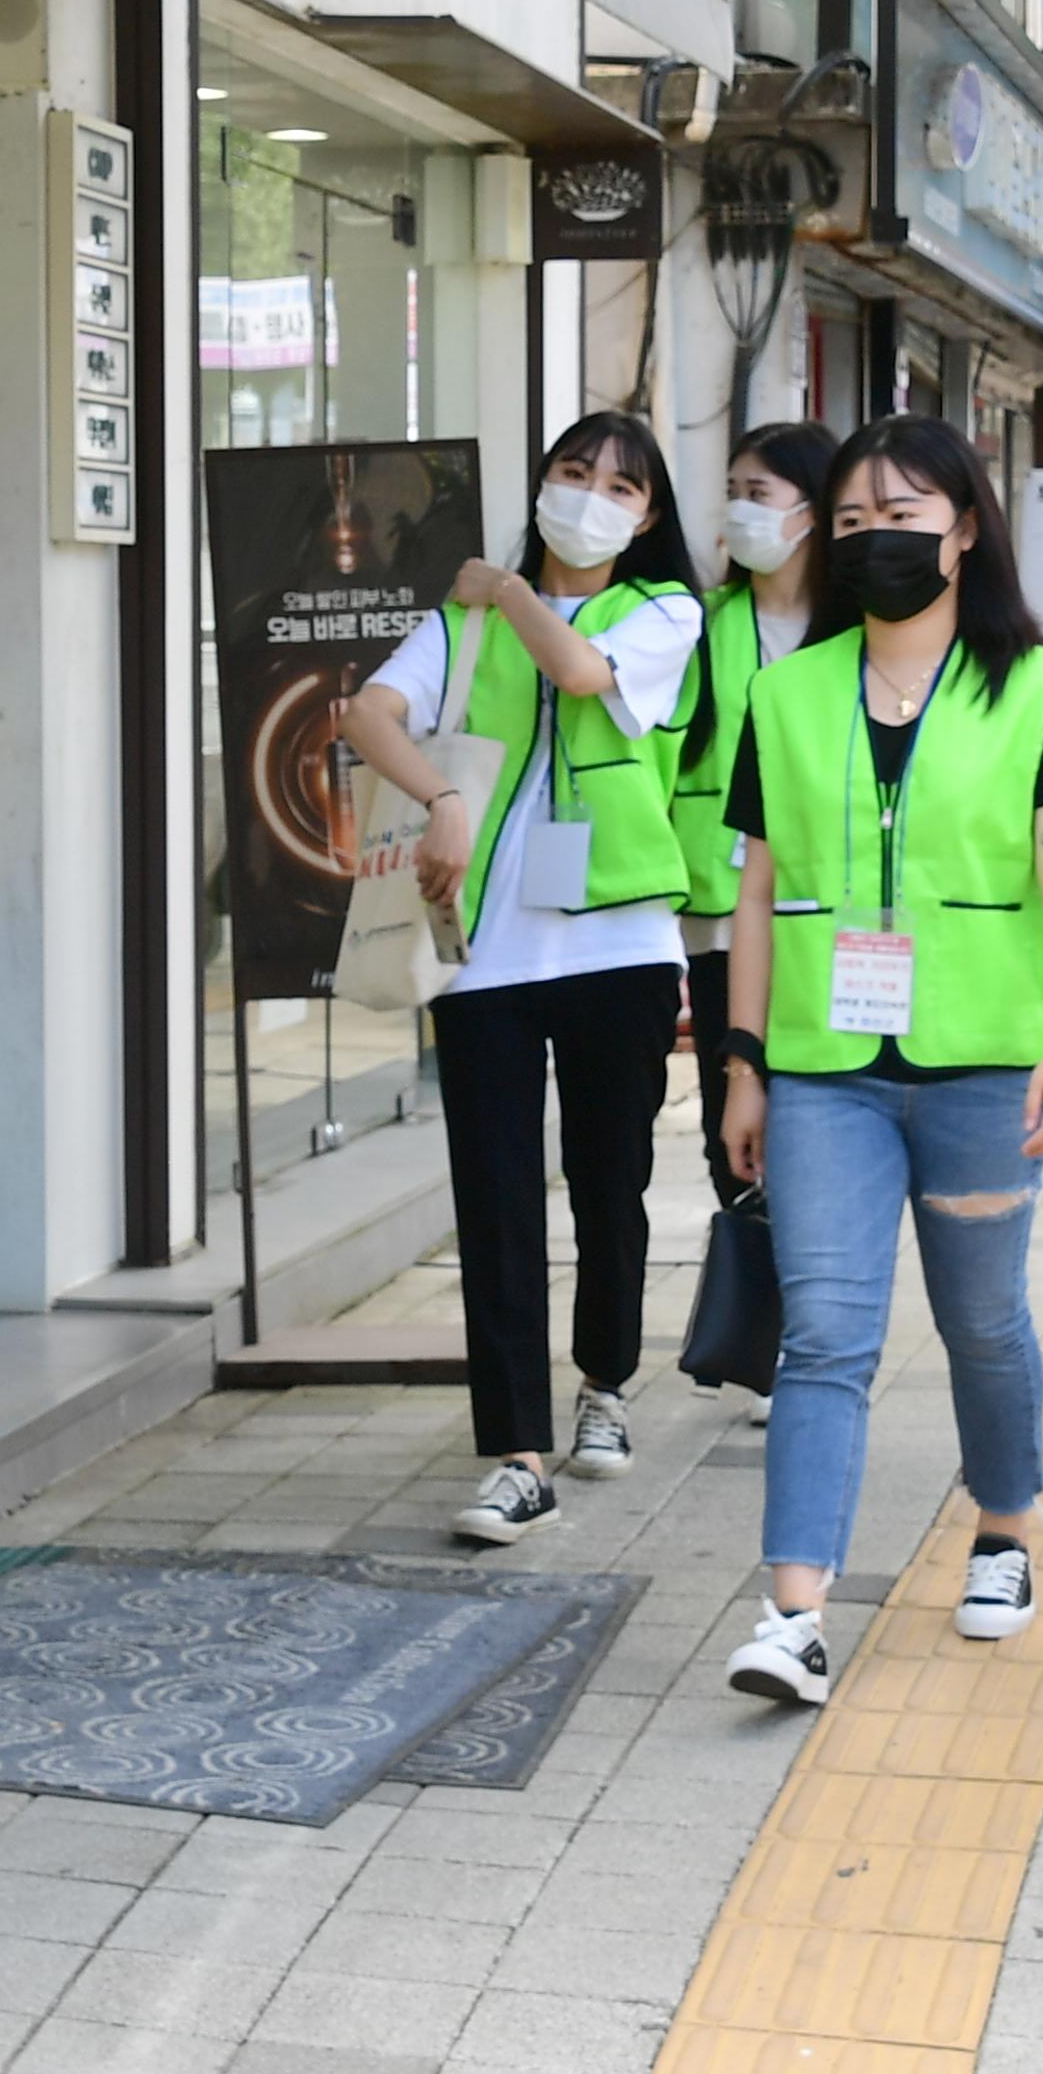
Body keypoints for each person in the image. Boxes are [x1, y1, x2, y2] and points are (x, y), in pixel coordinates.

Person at [709, 414, 1043, 1705]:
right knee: (824, 1332)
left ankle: (1004, 1527)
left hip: (986, 1062)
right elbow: (758, 898)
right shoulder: (788, 694)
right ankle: (795, 1615)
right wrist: (743, 1060)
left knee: (982, 1320)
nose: (880, 542)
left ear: (968, 529)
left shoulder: (1038, 691)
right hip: (828, 1068)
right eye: (854, 523)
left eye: (906, 517)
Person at [339, 411, 706, 1544]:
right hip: (483, 951)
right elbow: (369, 713)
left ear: (648, 517)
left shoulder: (664, 611)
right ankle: (514, 1451)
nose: (589, 494)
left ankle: (604, 1381)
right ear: (542, 479)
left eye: (618, 485)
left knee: (611, 1184)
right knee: (495, 1207)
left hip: (620, 945)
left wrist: (504, 590)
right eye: (571, 470)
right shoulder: (465, 620)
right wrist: (442, 798)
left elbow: (583, 669)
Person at [673, 426, 837, 1428]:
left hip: (820, 912)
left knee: (816, 1119)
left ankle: (809, 1328)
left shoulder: (857, 627)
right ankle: (765, 1328)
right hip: (713, 906)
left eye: (759, 490)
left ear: (811, 511)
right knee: (730, 1118)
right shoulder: (703, 621)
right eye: (730, 489)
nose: (740, 509)